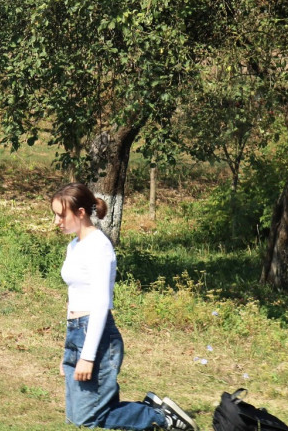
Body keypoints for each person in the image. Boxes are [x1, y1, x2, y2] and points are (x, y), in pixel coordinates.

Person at [52, 183, 195, 430]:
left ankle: (163, 417)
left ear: (82, 213)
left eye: (61, 215)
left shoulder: (99, 246)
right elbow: (74, 295)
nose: (56, 221)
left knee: (89, 418)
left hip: (97, 333)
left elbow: (100, 304)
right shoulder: (74, 245)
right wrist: (69, 353)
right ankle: (149, 409)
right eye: (55, 214)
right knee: (77, 417)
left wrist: (86, 356)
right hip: (77, 330)